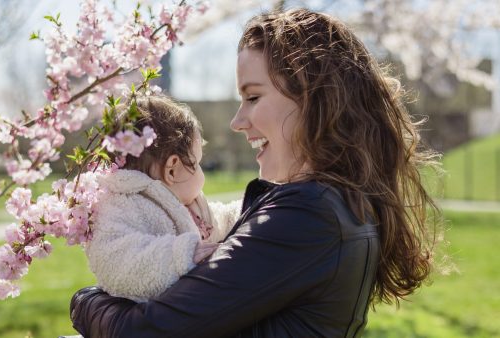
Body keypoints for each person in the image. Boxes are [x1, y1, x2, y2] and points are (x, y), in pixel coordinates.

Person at [69, 8, 441, 337]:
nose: (236, 121)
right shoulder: (336, 204)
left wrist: (84, 300)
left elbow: (140, 332)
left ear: (312, 99)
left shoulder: (308, 215)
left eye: (253, 97)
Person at [86, 95, 241, 302]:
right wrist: (179, 256)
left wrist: (251, 207)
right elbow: (114, 259)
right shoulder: (123, 204)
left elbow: (220, 221)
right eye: (198, 163)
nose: (201, 172)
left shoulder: (189, 205)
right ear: (173, 170)